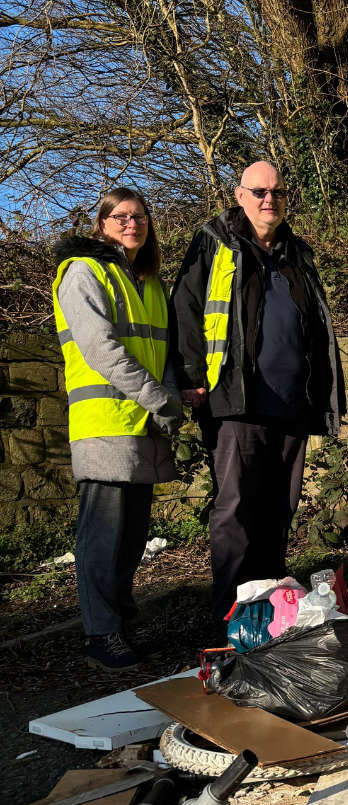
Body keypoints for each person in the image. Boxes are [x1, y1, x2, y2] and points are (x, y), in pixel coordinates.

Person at [172, 161, 345, 623]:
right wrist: (190, 374)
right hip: (234, 399)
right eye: (260, 191)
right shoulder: (214, 242)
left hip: (291, 403)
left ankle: (270, 610)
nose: (270, 199)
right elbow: (186, 308)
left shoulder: (298, 252)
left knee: (278, 508)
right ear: (239, 195)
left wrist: (322, 392)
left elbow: (316, 328)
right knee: (235, 507)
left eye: (278, 192)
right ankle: (230, 612)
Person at [52, 188, 182, 669]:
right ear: (102, 223)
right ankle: (101, 635)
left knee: (130, 539)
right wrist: (159, 397)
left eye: (140, 216)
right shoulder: (83, 272)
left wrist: (167, 397)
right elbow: (100, 349)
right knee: (102, 539)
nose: (132, 224)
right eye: (121, 217)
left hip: (142, 424)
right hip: (104, 423)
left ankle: (120, 625)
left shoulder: (149, 283)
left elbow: (165, 353)